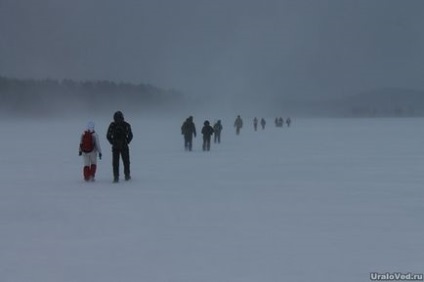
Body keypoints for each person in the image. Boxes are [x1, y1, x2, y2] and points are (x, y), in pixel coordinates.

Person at [106, 111, 133, 182]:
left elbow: (108, 136)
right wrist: (127, 141)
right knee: (126, 162)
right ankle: (127, 176)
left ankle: (116, 177)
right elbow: (130, 135)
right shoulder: (126, 125)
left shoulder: (112, 125)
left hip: (115, 147)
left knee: (115, 163)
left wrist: (112, 142)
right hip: (124, 146)